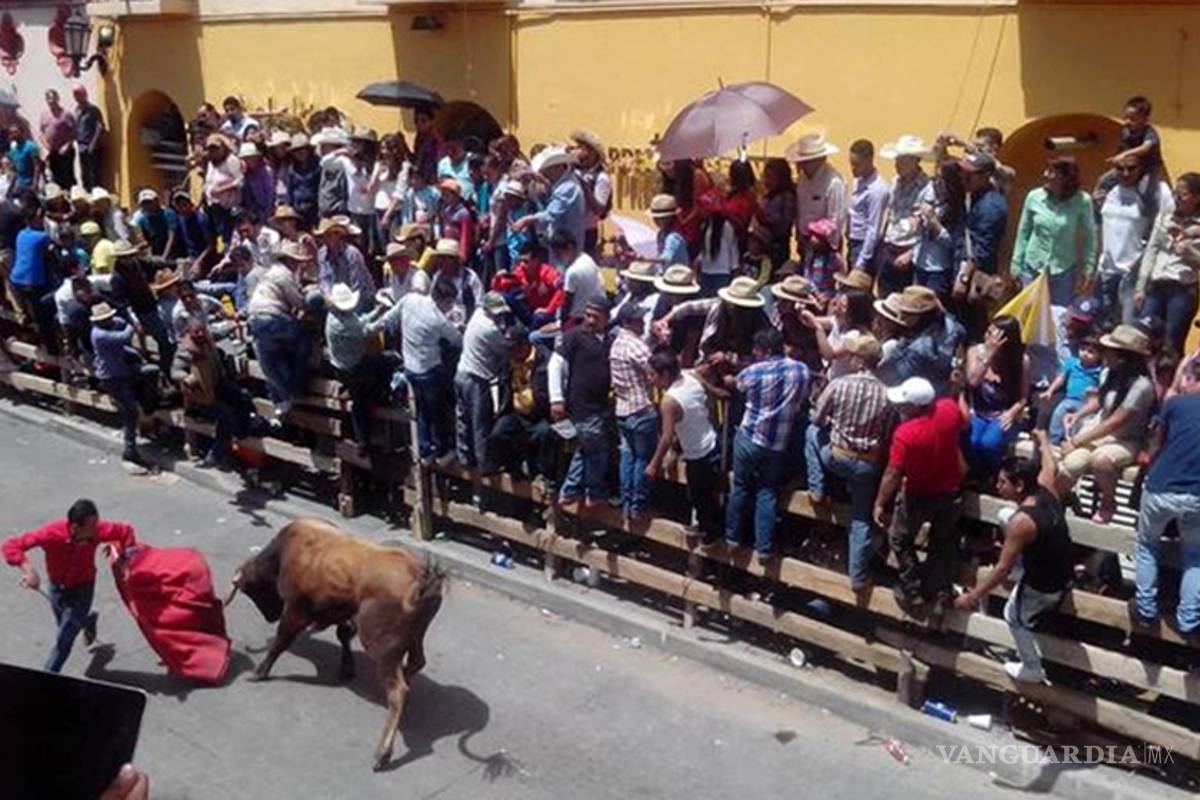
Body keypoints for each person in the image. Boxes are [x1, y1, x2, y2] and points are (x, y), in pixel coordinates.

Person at [955, 431, 1074, 683]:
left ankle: (1032, 666)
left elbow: (1001, 570)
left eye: (1002, 483)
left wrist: (973, 596)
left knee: (1014, 616)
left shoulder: (1022, 523)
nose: (997, 486)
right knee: (1004, 515)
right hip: (1061, 565)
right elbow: (1049, 465)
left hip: (1044, 583)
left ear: (1019, 485)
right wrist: (1042, 440)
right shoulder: (1047, 490)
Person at [3, 499, 137, 672]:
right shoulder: (51, 534)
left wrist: (126, 559)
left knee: (64, 639)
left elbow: (126, 532)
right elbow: (11, 546)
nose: (97, 530)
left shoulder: (98, 530)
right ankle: (87, 621)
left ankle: (47, 679)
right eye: (91, 526)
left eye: (97, 524)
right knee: (66, 626)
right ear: (75, 527)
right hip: (57, 589)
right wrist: (29, 570)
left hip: (84, 587)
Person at [874, 376, 965, 621]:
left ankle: (913, 591)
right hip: (949, 488)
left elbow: (893, 473)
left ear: (915, 406)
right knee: (942, 541)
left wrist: (881, 502)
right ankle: (937, 592)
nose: (900, 408)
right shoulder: (948, 409)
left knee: (900, 539)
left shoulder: (906, 433)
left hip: (919, 492)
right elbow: (961, 420)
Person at [805, 334, 891, 591]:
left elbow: (818, 418)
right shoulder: (887, 394)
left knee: (810, 432)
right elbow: (886, 433)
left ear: (860, 361)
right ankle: (857, 576)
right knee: (861, 518)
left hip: (838, 456)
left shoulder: (839, 384)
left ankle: (817, 486)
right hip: (867, 463)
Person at [725, 327, 809, 563]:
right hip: (778, 442)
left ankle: (732, 538)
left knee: (740, 487)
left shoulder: (754, 372)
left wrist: (727, 377)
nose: (754, 353)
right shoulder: (800, 369)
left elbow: (736, 384)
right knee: (767, 491)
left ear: (766, 350)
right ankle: (764, 548)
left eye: (757, 349)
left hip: (750, 436)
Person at [1057, 324, 1156, 523]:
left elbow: (1116, 421)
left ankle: (1108, 502)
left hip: (1126, 439)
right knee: (1071, 465)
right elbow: (1099, 401)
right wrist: (1078, 414)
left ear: (1122, 356)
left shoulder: (1141, 386)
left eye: (1109, 350)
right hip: (1098, 434)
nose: (1104, 354)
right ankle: (1059, 500)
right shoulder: (1107, 374)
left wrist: (1077, 441)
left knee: (1101, 460)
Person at [1134, 362, 1200, 632]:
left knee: (1147, 546)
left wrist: (1147, 461)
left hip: (1162, 487)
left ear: (1192, 378)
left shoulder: (1176, 404)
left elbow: (1156, 444)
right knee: (1195, 557)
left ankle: (1146, 609)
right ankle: (1189, 619)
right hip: (1197, 495)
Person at [1010, 156, 1096, 360]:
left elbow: (1090, 236)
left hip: (1063, 268)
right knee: (1027, 316)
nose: (1045, 175)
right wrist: (1016, 263)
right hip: (1033, 265)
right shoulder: (1034, 197)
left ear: (1066, 177)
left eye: (1052, 172)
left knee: (1058, 320)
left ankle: (1053, 363)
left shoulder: (1082, 201)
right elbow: (1024, 231)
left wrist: (1088, 267)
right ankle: (1024, 361)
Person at [645, 348, 723, 544]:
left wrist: (654, 464)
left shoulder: (669, 401)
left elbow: (667, 436)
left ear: (665, 374)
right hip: (711, 441)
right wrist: (717, 393)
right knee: (708, 493)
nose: (649, 379)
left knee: (699, 496)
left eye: (652, 374)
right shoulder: (690, 376)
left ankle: (711, 534)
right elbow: (706, 386)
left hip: (698, 453)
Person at [550, 296, 613, 509]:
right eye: (587, 315)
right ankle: (594, 492)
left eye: (596, 316)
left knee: (586, 449)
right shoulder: (574, 336)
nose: (590, 320)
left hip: (600, 405)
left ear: (606, 318)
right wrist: (556, 399)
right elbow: (555, 365)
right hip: (583, 405)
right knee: (596, 451)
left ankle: (570, 491)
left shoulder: (607, 339)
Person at [324, 283, 401, 454]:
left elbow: (358, 323)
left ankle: (363, 441)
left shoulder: (335, 316)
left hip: (343, 365)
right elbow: (366, 331)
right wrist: (387, 319)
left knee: (359, 402)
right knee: (388, 361)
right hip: (353, 366)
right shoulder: (341, 323)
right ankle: (381, 394)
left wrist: (376, 312)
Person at [171, 320, 259, 468]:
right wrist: (186, 378)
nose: (200, 334)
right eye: (196, 332)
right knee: (226, 416)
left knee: (243, 397)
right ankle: (215, 454)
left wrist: (235, 324)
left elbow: (221, 332)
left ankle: (241, 433)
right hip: (201, 396)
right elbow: (175, 371)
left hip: (218, 385)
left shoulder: (208, 339)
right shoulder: (185, 350)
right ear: (189, 333)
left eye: (201, 331)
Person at [1135, 173, 1200, 356]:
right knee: (1143, 337)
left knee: (1171, 343)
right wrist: (1141, 286)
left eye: (1183, 194)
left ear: (1197, 198)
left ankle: (1169, 383)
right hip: (1156, 285)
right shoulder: (1166, 214)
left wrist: (1188, 251)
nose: (1177, 198)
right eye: (1175, 193)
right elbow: (1152, 249)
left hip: (1182, 289)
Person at [401, 270, 461, 466]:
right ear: (442, 299)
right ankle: (442, 451)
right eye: (449, 303)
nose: (450, 307)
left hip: (412, 368)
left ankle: (426, 451)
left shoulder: (412, 302)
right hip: (429, 370)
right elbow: (456, 340)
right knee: (437, 412)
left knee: (422, 412)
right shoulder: (438, 317)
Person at [961, 315, 1030, 481]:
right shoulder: (975, 351)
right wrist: (988, 355)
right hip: (978, 411)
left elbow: (1023, 397)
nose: (988, 337)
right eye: (988, 332)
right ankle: (975, 476)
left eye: (993, 334)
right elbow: (973, 381)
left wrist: (1013, 412)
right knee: (972, 441)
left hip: (1003, 412)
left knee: (989, 443)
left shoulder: (1021, 361)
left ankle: (994, 476)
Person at [245, 244, 309, 418]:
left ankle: (283, 400)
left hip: (256, 319)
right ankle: (299, 385)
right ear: (289, 260)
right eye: (296, 261)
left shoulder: (270, 273)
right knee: (304, 338)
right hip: (272, 318)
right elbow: (299, 302)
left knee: (272, 360)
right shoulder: (284, 274)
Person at [953, 151, 1009, 342]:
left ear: (985, 176)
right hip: (964, 271)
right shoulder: (974, 197)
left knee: (971, 330)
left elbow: (981, 249)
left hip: (975, 281)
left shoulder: (991, 206)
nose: (963, 177)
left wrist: (963, 277)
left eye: (968, 174)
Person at [455, 292, 513, 475]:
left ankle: (465, 458)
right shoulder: (489, 329)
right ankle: (485, 464)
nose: (499, 316)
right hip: (476, 379)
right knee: (480, 423)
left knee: (463, 420)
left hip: (461, 373)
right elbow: (505, 350)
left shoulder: (476, 315)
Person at [610, 302, 658, 522]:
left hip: (623, 408)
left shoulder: (617, 344)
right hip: (641, 407)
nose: (642, 323)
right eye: (638, 320)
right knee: (641, 458)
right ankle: (637, 505)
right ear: (628, 322)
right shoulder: (635, 345)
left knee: (627, 456)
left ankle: (626, 501)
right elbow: (655, 370)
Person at [489, 329, 555, 483]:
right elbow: (504, 385)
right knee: (498, 434)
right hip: (516, 412)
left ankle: (545, 476)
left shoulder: (546, 361)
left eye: (513, 349)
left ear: (525, 345)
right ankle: (512, 467)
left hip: (540, 414)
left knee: (545, 434)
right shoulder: (508, 360)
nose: (511, 353)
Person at [89, 302, 151, 464]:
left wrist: (124, 319)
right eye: (105, 319)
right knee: (131, 412)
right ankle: (130, 448)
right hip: (112, 376)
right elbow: (124, 336)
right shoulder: (99, 334)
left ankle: (146, 402)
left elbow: (120, 322)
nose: (109, 320)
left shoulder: (110, 325)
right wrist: (132, 323)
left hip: (121, 371)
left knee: (149, 372)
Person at [876, 285, 964, 395]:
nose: (902, 317)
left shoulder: (921, 347)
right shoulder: (953, 327)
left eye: (908, 313)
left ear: (922, 315)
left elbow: (893, 376)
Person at [875, 136, 932, 296]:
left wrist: (911, 253)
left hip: (909, 253)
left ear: (915, 161)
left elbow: (928, 228)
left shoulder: (927, 188)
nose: (897, 165)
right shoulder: (895, 182)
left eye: (902, 160)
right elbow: (891, 211)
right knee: (884, 295)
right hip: (890, 246)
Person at [511, 146, 585, 257]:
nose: (544, 172)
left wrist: (527, 219)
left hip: (566, 248)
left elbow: (550, 215)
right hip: (560, 244)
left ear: (558, 167)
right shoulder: (564, 185)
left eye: (547, 168)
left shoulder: (567, 188)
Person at [914, 159, 967, 304]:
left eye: (941, 179)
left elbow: (954, 244)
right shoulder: (932, 196)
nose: (936, 183)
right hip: (921, 262)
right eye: (935, 178)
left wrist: (934, 223)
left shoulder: (957, 208)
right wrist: (918, 221)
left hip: (939, 269)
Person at [10, 204, 59, 355]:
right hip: (32, 281)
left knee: (35, 314)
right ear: (33, 220)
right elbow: (55, 248)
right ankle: (52, 348)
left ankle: (33, 332)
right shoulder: (42, 237)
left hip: (16, 279)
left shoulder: (21, 234)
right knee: (45, 316)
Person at [788, 133, 846, 258]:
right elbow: (801, 208)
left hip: (824, 245)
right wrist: (799, 235)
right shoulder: (802, 179)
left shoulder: (834, 182)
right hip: (805, 241)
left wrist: (822, 238)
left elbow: (836, 218)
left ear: (820, 159)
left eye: (807, 162)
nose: (802, 165)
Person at [1039, 336, 1103, 444]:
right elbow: (1061, 378)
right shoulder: (1072, 363)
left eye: (1091, 352)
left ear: (1099, 355)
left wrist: (1095, 390)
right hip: (1069, 399)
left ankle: (1070, 442)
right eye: (1082, 349)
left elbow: (1101, 387)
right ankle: (1053, 441)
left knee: (1077, 424)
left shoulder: (1099, 370)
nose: (1085, 354)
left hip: (1086, 403)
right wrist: (1050, 391)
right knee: (1057, 416)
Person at [846, 139, 889, 272]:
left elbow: (874, 228)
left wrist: (862, 261)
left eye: (857, 165)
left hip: (863, 245)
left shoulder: (877, 189)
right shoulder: (858, 181)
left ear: (869, 160)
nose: (853, 169)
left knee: (858, 289)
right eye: (851, 164)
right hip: (853, 242)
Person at [570, 129, 612, 256]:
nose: (576, 151)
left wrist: (585, 188)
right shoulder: (573, 170)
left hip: (586, 231)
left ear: (592, 153)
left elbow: (599, 209)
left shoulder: (601, 178)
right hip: (569, 228)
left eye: (581, 148)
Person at [315, 215, 374, 304]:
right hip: (336, 295)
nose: (326, 239)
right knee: (312, 297)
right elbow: (324, 279)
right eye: (323, 236)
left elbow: (357, 285)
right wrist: (328, 296)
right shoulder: (322, 253)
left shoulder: (352, 254)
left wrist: (347, 302)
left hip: (359, 297)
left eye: (330, 234)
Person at [555, 229, 604, 328]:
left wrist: (560, 323)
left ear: (570, 247)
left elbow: (566, 304)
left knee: (535, 336)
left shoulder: (572, 271)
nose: (558, 257)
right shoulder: (586, 258)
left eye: (559, 253)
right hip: (594, 310)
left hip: (577, 320)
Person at [202, 134, 243, 242]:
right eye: (210, 149)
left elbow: (241, 181)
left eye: (216, 148)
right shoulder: (211, 162)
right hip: (214, 206)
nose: (213, 152)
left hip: (229, 207)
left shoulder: (231, 160)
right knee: (221, 233)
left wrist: (221, 189)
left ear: (223, 147)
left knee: (230, 234)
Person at [759, 157, 797, 269]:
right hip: (763, 246)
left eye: (770, 178)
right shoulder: (768, 195)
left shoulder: (786, 197)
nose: (767, 181)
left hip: (777, 248)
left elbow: (784, 225)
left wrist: (765, 220)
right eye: (765, 177)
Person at [171, 191, 216, 278]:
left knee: (190, 278)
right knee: (175, 278)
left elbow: (210, 245)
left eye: (184, 204)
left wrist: (198, 262)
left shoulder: (201, 219)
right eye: (179, 206)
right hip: (189, 259)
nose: (182, 208)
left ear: (190, 204)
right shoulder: (180, 219)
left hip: (204, 260)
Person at [38, 89, 76, 190]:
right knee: (55, 178)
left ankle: (71, 200)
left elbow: (74, 132)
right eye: (48, 99)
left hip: (65, 152)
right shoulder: (44, 115)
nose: (51, 101)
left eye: (52, 98)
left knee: (68, 178)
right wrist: (45, 146)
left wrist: (67, 145)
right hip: (52, 152)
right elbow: (41, 132)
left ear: (57, 98)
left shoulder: (66, 114)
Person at [285, 133, 321, 230]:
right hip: (298, 210)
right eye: (296, 151)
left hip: (315, 210)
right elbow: (290, 190)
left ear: (308, 150)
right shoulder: (292, 169)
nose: (299, 153)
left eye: (302, 149)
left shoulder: (317, 166)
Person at [72, 84, 105, 190]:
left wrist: (93, 144)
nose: (77, 96)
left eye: (79, 94)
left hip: (92, 146)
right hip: (81, 146)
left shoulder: (93, 110)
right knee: (84, 173)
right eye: (75, 94)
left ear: (85, 94)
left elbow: (99, 127)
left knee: (95, 174)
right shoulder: (77, 110)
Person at [436, 177, 474, 264]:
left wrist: (463, 254)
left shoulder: (463, 213)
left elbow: (465, 235)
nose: (444, 197)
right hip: (446, 245)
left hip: (456, 248)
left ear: (455, 195)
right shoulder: (446, 210)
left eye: (446, 195)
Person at [133, 189, 177, 258]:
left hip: (174, 253)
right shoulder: (142, 220)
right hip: (157, 254)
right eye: (144, 203)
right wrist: (136, 248)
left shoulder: (168, 214)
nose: (147, 206)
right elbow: (148, 241)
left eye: (149, 202)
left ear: (157, 201)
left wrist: (164, 257)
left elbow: (172, 238)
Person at [649, 193, 689, 267]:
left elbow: (666, 258)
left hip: (676, 276)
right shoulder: (661, 234)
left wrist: (643, 259)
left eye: (658, 219)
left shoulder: (673, 237)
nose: (655, 221)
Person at [239, 141, 276, 221]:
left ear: (257, 157)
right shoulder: (246, 174)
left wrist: (266, 215)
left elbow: (270, 196)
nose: (248, 161)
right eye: (245, 159)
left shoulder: (266, 171)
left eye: (250, 157)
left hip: (268, 213)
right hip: (254, 214)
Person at [437, 136, 475, 200]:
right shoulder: (442, 163)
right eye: (448, 148)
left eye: (454, 148)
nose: (450, 152)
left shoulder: (472, 160)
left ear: (461, 145)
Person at [8, 123, 41, 190]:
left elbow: (37, 166)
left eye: (15, 132)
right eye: (11, 133)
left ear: (22, 132)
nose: (13, 135)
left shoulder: (30, 146)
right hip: (19, 184)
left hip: (30, 183)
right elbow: (15, 170)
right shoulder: (13, 151)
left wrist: (35, 184)